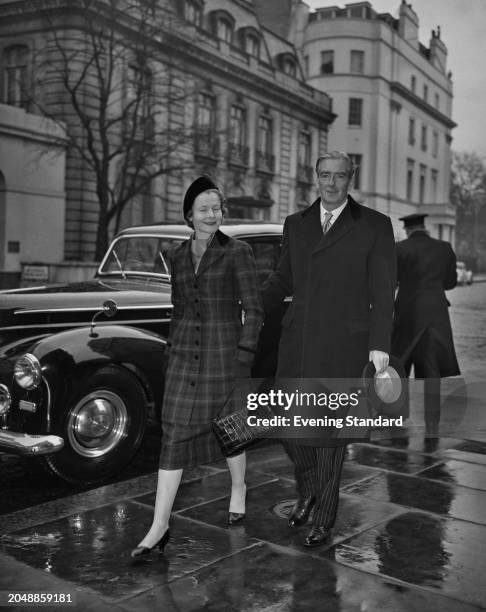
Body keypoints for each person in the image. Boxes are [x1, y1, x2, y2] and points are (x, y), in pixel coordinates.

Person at [262, 151, 396, 547]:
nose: (331, 183)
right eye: (324, 175)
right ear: (314, 178)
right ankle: (308, 491)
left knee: (328, 435)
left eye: (339, 176)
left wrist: (379, 346)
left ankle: (324, 516)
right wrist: (248, 305)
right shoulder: (297, 224)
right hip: (298, 342)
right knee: (287, 428)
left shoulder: (374, 225)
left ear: (350, 179)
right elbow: (282, 278)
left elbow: (383, 293)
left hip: (344, 345)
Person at [131, 176, 262, 558]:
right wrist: (172, 351)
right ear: (190, 215)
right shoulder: (175, 255)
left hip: (225, 355)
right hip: (184, 357)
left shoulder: (238, 252)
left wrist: (244, 355)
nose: (211, 215)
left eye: (216, 208)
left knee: (231, 429)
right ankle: (160, 525)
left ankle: (239, 488)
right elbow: (180, 309)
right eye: (203, 209)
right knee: (173, 434)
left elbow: (254, 310)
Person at [392, 213, 460, 436]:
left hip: (407, 313)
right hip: (435, 314)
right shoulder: (444, 248)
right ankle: (432, 422)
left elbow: (390, 281)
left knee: (400, 364)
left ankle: (400, 418)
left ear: (408, 229)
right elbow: (450, 283)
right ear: (424, 227)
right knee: (432, 369)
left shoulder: (399, 249)